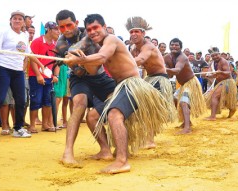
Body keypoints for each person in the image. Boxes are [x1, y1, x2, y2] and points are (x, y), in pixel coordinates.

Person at [64, 13, 170, 174]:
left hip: (132, 85)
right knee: (92, 117)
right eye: (89, 29)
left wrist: (81, 60)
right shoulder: (98, 46)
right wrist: (77, 59)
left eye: (95, 27)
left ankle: (122, 161)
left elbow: (102, 57)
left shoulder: (111, 40)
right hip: (120, 87)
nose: (92, 32)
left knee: (114, 115)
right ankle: (105, 151)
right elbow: (93, 69)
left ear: (104, 27)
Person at [55, 10, 116, 167]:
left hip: (100, 76)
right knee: (79, 103)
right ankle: (68, 152)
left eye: (69, 25)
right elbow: (80, 71)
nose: (66, 29)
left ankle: (108, 149)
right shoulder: (60, 43)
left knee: (118, 101)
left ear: (76, 23)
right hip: (79, 78)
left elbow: (83, 53)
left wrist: (75, 57)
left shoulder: (88, 33)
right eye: (62, 27)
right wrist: (75, 60)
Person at [0, 10, 44, 141]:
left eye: (20, 19)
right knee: (0, 98)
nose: (17, 20)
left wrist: (40, 64)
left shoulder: (24, 35)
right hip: (3, 69)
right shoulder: (4, 32)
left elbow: (29, 54)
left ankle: (18, 128)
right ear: (11, 20)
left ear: (23, 22)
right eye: (15, 18)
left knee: (21, 100)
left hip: (18, 71)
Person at [126, 16, 177, 148]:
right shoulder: (133, 49)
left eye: (136, 31)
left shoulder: (148, 46)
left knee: (150, 109)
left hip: (160, 79)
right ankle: (144, 138)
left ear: (143, 33)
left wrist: (121, 62)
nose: (134, 34)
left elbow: (140, 60)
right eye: (131, 32)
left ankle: (150, 140)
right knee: (142, 107)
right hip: (149, 78)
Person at [164, 38, 206, 134]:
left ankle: (187, 128)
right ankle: (187, 121)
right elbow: (170, 74)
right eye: (172, 44)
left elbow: (177, 70)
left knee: (183, 102)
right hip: (183, 85)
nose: (174, 46)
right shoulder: (168, 57)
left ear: (180, 47)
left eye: (176, 45)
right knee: (174, 99)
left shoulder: (182, 57)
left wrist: (163, 68)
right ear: (169, 46)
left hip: (191, 83)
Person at [28, 21, 60, 133]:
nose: (58, 31)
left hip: (49, 76)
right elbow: (32, 59)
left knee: (48, 101)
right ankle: (32, 125)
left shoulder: (56, 45)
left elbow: (57, 62)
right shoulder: (37, 41)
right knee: (35, 100)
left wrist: (55, 75)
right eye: (56, 29)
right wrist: (37, 75)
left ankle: (45, 124)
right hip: (35, 75)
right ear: (49, 30)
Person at [205, 47, 237, 120]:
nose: (215, 57)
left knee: (214, 96)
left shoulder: (223, 61)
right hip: (220, 82)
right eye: (213, 56)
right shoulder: (212, 63)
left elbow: (228, 72)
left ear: (219, 54)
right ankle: (232, 108)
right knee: (222, 98)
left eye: (216, 55)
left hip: (227, 82)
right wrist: (209, 75)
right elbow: (213, 75)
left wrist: (221, 72)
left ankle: (212, 116)